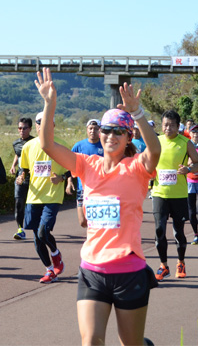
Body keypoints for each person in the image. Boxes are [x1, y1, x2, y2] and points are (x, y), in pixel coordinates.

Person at [35, 67, 160, 346]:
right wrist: (49, 103)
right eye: (106, 130)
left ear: (128, 137)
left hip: (129, 271)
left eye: (118, 131)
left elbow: (154, 152)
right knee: (91, 341)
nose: (110, 136)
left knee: (131, 343)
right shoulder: (85, 165)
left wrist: (138, 114)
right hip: (92, 270)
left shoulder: (137, 168)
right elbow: (46, 145)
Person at [16, 110, 68, 283]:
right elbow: (24, 169)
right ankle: (50, 270)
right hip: (34, 196)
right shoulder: (28, 147)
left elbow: (73, 169)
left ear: (52, 125)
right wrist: (21, 176)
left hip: (53, 196)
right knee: (37, 238)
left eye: (45, 122)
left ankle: (55, 254)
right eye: (39, 123)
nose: (41, 125)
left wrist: (62, 178)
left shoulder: (61, 145)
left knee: (43, 231)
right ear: (36, 126)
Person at [152, 110, 198, 281]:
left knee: (178, 231)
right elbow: (146, 162)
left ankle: (181, 262)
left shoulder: (185, 143)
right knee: (159, 229)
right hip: (159, 193)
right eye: (165, 124)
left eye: (172, 125)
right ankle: (163, 265)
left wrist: (188, 169)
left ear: (178, 126)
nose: (168, 128)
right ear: (161, 125)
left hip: (179, 194)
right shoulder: (156, 142)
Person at [66, 119, 104, 227]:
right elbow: (69, 164)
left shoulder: (105, 145)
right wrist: (69, 182)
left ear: (100, 130)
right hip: (82, 188)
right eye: (90, 128)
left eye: (96, 129)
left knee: (96, 219)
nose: (93, 131)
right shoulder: (79, 146)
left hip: (100, 188)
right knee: (83, 222)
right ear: (87, 130)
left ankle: (94, 240)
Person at [10, 117, 34, 240]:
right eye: (20, 128)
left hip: (34, 179)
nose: (22, 131)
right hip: (20, 177)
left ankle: (37, 228)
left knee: (32, 205)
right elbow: (18, 154)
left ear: (30, 129)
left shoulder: (36, 142)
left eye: (24, 128)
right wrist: (13, 165)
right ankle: (20, 229)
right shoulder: (16, 143)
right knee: (19, 202)